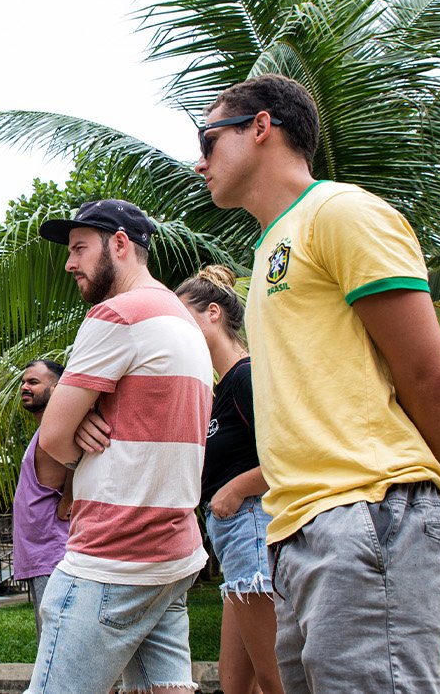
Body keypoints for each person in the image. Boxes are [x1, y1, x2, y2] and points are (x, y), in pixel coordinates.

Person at [192, 74, 440, 693]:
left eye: (208, 138)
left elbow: (430, 373)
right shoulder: (271, 246)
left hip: (366, 515)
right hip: (298, 531)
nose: (199, 162)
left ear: (261, 127)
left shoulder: (340, 213)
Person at [24, 199, 213, 694]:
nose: (70, 263)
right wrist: (83, 419)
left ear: (121, 245)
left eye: (81, 249)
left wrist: (75, 433)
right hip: (171, 552)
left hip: (113, 556)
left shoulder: (119, 314)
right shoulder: (180, 317)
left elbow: (51, 445)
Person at [176, 266, 281, 694]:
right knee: (235, 681)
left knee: (275, 676)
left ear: (213, 313)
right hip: (234, 542)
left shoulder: (246, 375)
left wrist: (236, 488)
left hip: (255, 526)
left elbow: (290, 455)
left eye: (183, 320)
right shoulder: (218, 390)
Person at [11, 358, 72, 636]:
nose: (25, 387)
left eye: (33, 382)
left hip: (52, 554)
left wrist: (69, 499)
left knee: (55, 645)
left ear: (57, 388)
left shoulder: (57, 428)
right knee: (49, 642)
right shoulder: (45, 429)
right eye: (24, 382)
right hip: (41, 554)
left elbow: (81, 457)